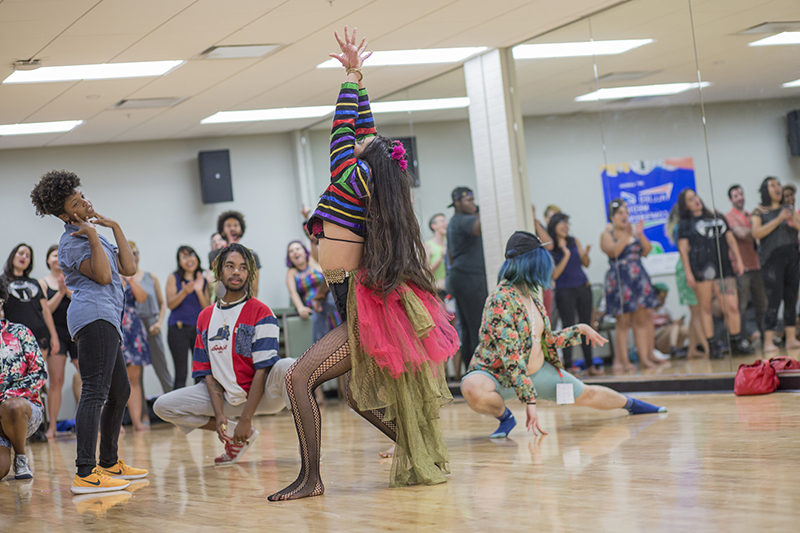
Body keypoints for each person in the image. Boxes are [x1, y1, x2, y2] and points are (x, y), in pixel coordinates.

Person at [268, 27, 458, 501]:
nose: (357, 138)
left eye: (361, 141)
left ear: (364, 158)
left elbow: (342, 128)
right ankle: (420, 449)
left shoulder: (350, 176)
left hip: (358, 301)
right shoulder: (373, 178)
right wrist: (360, 77)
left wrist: (350, 79)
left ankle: (311, 478)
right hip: (357, 296)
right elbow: (365, 129)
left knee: (297, 376)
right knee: (354, 393)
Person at [461, 231, 666, 439]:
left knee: (589, 394)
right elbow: (511, 355)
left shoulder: (531, 295)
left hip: (538, 373)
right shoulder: (500, 299)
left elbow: (544, 339)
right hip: (501, 375)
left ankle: (635, 405)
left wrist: (580, 330)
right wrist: (530, 402)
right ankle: (506, 418)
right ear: (531, 262)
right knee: (472, 386)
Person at [30, 170, 147, 494]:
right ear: (66, 215)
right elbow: (105, 276)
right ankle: (85, 471)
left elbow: (128, 268)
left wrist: (113, 226)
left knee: (120, 392)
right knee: (95, 392)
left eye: (82, 196)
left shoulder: (95, 233)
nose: (84, 202)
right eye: (75, 202)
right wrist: (94, 236)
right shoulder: (71, 243)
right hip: (92, 317)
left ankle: (109, 462)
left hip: (107, 318)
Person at [154, 244, 293, 465]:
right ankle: (237, 439)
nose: (236, 271)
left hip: (263, 397)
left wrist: (246, 418)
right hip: (227, 399)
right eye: (230, 266)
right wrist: (220, 417)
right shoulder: (205, 317)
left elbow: (263, 369)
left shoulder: (261, 311)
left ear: (249, 275)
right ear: (219, 271)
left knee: (289, 366)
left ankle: (309, 446)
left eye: (243, 267)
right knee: (162, 406)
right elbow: (207, 373)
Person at [677, 189, 750, 357]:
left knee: (731, 306)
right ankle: (712, 347)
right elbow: (683, 250)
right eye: (690, 199)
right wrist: (688, 273)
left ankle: (736, 341)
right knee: (706, 308)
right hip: (701, 271)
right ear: (685, 205)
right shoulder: (685, 224)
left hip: (724, 269)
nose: (695, 200)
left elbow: (730, 239)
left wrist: (738, 260)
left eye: (695, 196)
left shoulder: (717, 216)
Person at [600, 199, 661, 372]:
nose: (624, 215)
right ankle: (623, 361)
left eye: (626, 212)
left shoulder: (634, 232)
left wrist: (639, 234)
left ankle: (644, 358)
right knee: (623, 321)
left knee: (642, 319)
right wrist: (627, 235)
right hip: (620, 280)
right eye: (620, 212)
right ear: (612, 217)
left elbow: (647, 251)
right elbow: (613, 251)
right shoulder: (607, 235)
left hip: (638, 278)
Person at [0, 276, 47, 481]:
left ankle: (20, 457)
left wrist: (6, 396)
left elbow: (39, 374)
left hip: (23, 411)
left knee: (12, 406)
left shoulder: (20, 332)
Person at [547, 213, 601, 375]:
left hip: (583, 287)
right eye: (562, 223)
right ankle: (568, 366)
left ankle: (590, 365)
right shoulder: (551, 247)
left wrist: (584, 254)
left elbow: (585, 264)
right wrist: (566, 254)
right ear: (554, 225)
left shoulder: (574, 240)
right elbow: (555, 274)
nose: (566, 226)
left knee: (586, 326)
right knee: (568, 327)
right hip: (565, 290)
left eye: (567, 223)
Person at [751, 177, 800, 352]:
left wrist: (795, 223)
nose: (777, 188)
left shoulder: (788, 210)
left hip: (793, 258)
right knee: (774, 299)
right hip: (771, 261)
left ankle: (791, 339)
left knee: (791, 298)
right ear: (765, 190)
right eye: (772, 185)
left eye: (778, 184)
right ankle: (768, 341)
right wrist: (778, 219)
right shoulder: (759, 212)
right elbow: (756, 232)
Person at [39, 244, 80, 439]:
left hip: (77, 332)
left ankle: (98, 423)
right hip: (56, 333)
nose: (56, 259)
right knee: (56, 381)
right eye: (53, 255)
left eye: (59, 255)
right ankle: (52, 427)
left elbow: (81, 301)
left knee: (88, 377)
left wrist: (68, 290)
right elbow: (46, 310)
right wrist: (61, 292)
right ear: (48, 260)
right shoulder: (44, 283)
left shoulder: (72, 278)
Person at [446, 186, 487, 373]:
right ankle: (477, 373)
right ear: (457, 203)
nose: (473, 203)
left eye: (473, 199)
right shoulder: (463, 220)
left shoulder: (455, 221)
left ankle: (472, 372)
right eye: (468, 200)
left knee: (470, 330)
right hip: (469, 278)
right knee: (477, 328)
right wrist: (488, 207)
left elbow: (451, 255)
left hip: (461, 277)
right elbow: (479, 228)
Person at [725, 185, 767, 345]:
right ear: (731, 200)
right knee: (740, 306)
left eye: (741, 194)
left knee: (762, 303)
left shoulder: (751, 215)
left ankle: (765, 338)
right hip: (741, 268)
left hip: (757, 265)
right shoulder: (729, 216)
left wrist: (756, 230)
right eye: (735, 196)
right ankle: (742, 339)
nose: (740, 197)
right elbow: (740, 233)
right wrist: (757, 231)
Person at [2, 244, 59, 359]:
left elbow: (45, 311)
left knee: (37, 375)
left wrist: (54, 336)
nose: (24, 257)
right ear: (13, 255)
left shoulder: (35, 283)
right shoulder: (2, 281)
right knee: (16, 375)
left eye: (28, 256)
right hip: (12, 337)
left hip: (39, 335)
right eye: (21, 253)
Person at [165, 246, 210, 390]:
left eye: (191, 255)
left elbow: (207, 308)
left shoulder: (203, 278)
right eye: (183, 257)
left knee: (201, 373)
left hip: (199, 331)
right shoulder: (174, 277)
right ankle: (178, 412)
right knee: (181, 373)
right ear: (179, 262)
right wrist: (184, 292)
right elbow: (170, 304)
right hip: (178, 330)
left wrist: (198, 290)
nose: (189, 259)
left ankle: (200, 409)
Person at [666, 204, 708, 358]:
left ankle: (692, 350)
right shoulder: (681, 228)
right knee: (696, 312)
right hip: (686, 269)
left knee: (695, 312)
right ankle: (707, 348)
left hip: (693, 267)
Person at [130, 242, 171, 394]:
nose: (134, 257)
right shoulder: (122, 280)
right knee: (136, 372)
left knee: (162, 367)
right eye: (130, 253)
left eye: (136, 253)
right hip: (133, 328)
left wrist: (159, 323)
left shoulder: (151, 277)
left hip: (152, 325)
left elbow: (162, 304)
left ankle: (173, 406)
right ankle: (142, 414)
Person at [285, 240, 341, 341]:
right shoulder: (292, 272)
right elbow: (292, 292)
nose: (295, 252)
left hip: (328, 299)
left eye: (298, 249)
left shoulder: (313, 263)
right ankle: (320, 347)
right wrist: (300, 308)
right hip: (313, 305)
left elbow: (314, 244)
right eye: (291, 251)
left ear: (305, 251)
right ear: (289, 257)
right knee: (318, 307)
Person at [120, 275, 151, 432]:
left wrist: (130, 279)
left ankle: (137, 422)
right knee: (113, 380)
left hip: (132, 328)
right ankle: (115, 424)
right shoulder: (105, 274)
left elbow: (142, 297)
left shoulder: (131, 276)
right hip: (114, 323)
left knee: (134, 379)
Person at [209, 211, 261, 298]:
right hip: (222, 302)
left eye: (236, 225)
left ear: (241, 231)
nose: (232, 228)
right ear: (222, 232)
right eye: (228, 226)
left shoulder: (252, 256)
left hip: (244, 301)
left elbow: (254, 287)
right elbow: (220, 278)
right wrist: (232, 246)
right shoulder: (214, 254)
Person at [652, 283, 689, 357]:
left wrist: (678, 322)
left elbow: (672, 322)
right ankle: (674, 349)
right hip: (656, 340)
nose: (663, 301)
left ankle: (681, 349)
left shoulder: (666, 310)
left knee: (683, 329)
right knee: (674, 327)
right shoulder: (648, 312)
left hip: (666, 335)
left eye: (665, 298)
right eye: (661, 298)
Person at [426, 214, 448, 297]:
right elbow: (425, 272)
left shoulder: (448, 245)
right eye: (442, 221)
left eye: (446, 221)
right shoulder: (428, 245)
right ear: (433, 226)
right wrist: (441, 258)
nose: (446, 223)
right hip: (437, 292)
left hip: (451, 291)